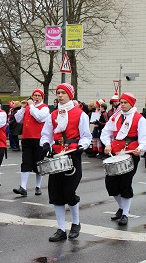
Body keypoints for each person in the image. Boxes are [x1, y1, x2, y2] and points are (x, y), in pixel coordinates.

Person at [40, 83, 91, 242]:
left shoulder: (80, 114)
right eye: (58, 93)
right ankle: (61, 228)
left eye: (63, 93)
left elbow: (86, 136)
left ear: (70, 95)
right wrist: (46, 145)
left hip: (72, 155)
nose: (60, 95)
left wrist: (81, 147)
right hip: (57, 156)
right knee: (56, 193)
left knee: (69, 192)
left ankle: (75, 223)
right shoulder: (53, 114)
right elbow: (45, 135)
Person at [101, 93, 146, 225]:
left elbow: (144, 139)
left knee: (125, 184)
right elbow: (106, 133)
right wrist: (108, 144)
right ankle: (121, 208)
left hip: (130, 155)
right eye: (121, 102)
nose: (122, 105)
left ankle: (125, 214)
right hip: (115, 154)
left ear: (131, 104)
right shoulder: (115, 117)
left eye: (125, 102)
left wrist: (140, 148)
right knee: (110, 184)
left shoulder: (140, 119)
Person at [13, 89, 50, 196]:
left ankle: (38, 186)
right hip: (27, 138)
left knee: (38, 163)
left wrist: (31, 106)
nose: (36, 97)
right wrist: (23, 108)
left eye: (39, 96)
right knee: (26, 162)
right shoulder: (29, 107)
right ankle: (23, 187)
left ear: (42, 97)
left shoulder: (44, 108)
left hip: (39, 139)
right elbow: (18, 119)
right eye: (35, 95)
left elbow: (39, 118)